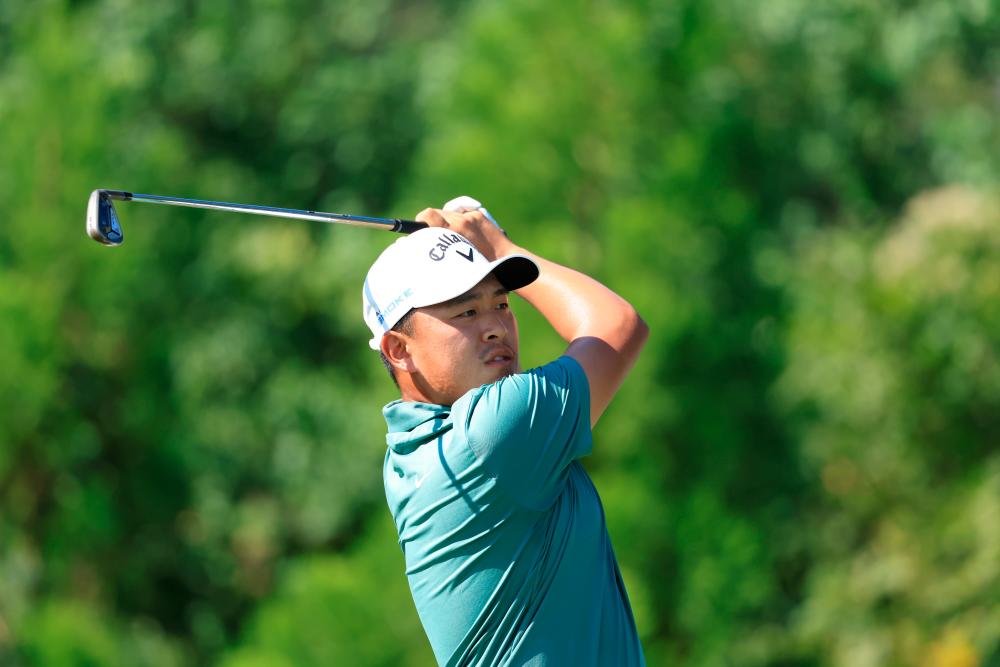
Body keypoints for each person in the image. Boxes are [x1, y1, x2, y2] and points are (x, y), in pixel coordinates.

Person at [362, 196, 649, 666]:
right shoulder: (491, 435)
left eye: (501, 303)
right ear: (398, 349)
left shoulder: (406, 454)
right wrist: (495, 244)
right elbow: (617, 326)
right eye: (466, 313)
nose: (496, 327)